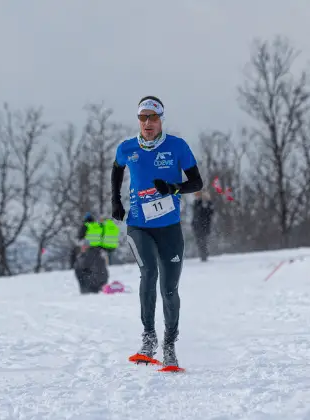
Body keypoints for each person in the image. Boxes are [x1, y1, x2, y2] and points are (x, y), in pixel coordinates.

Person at [111, 95, 203, 367]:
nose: (147, 123)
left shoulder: (177, 146)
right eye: (142, 118)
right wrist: (115, 200)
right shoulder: (127, 148)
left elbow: (197, 182)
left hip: (169, 228)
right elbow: (117, 169)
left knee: (169, 289)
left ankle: (169, 344)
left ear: (161, 119)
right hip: (139, 225)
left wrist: (174, 188)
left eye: (152, 118)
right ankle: (148, 339)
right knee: (148, 272)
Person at [192, 191, 215, 262]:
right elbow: (196, 213)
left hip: (204, 226)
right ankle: (203, 255)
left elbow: (209, 212)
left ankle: (204, 256)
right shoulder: (197, 203)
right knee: (200, 242)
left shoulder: (206, 204)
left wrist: (208, 200)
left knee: (203, 241)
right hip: (197, 226)